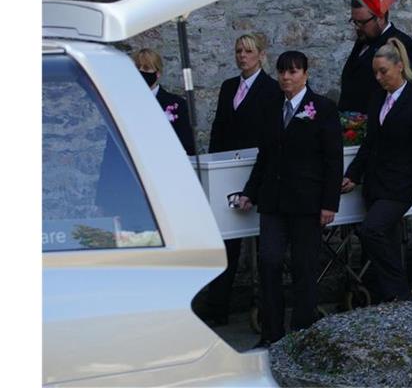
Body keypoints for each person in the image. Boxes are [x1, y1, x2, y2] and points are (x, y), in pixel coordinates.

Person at [238, 51, 343, 346]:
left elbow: (333, 160)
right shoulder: (272, 108)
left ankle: (302, 333)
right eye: (282, 72)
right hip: (273, 201)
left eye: (293, 72)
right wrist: (250, 192)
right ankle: (272, 333)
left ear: (305, 74)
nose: (286, 77)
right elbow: (265, 156)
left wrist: (329, 203)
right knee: (269, 261)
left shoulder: (322, 109)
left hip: (307, 202)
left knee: (304, 266)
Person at [341, 38, 412, 302]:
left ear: (400, 67)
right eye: (375, 72)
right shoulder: (376, 100)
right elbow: (369, 143)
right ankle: (392, 298)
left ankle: (400, 292)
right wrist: (353, 175)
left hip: (400, 186)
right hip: (376, 184)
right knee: (387, 241)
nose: (379, 77)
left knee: (371, 230)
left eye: (383, 71)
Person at [203, 33, 281, 326]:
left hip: (256, 167)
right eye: (238, 51)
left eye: (248, 51)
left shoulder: (271, 90)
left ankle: (266, 306)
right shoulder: (228, 87)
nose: (242, 56)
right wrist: (214, 162)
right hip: (227, 169)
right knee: (226, 239)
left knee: (263, 241)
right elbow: (218, 129)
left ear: (260, 55)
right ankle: (217, 304)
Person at [338, 0, 412, 113]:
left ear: (381, 17)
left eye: (363, 22)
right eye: (355, 22)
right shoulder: (362, 41)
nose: (357, 27)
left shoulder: (402, 45)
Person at [131, 48, 195, 155]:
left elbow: (187, 145)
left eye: (146, 68)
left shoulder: (177, 105)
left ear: (158, 73)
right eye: (137, 68)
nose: (141, 71)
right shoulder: (126, 104)